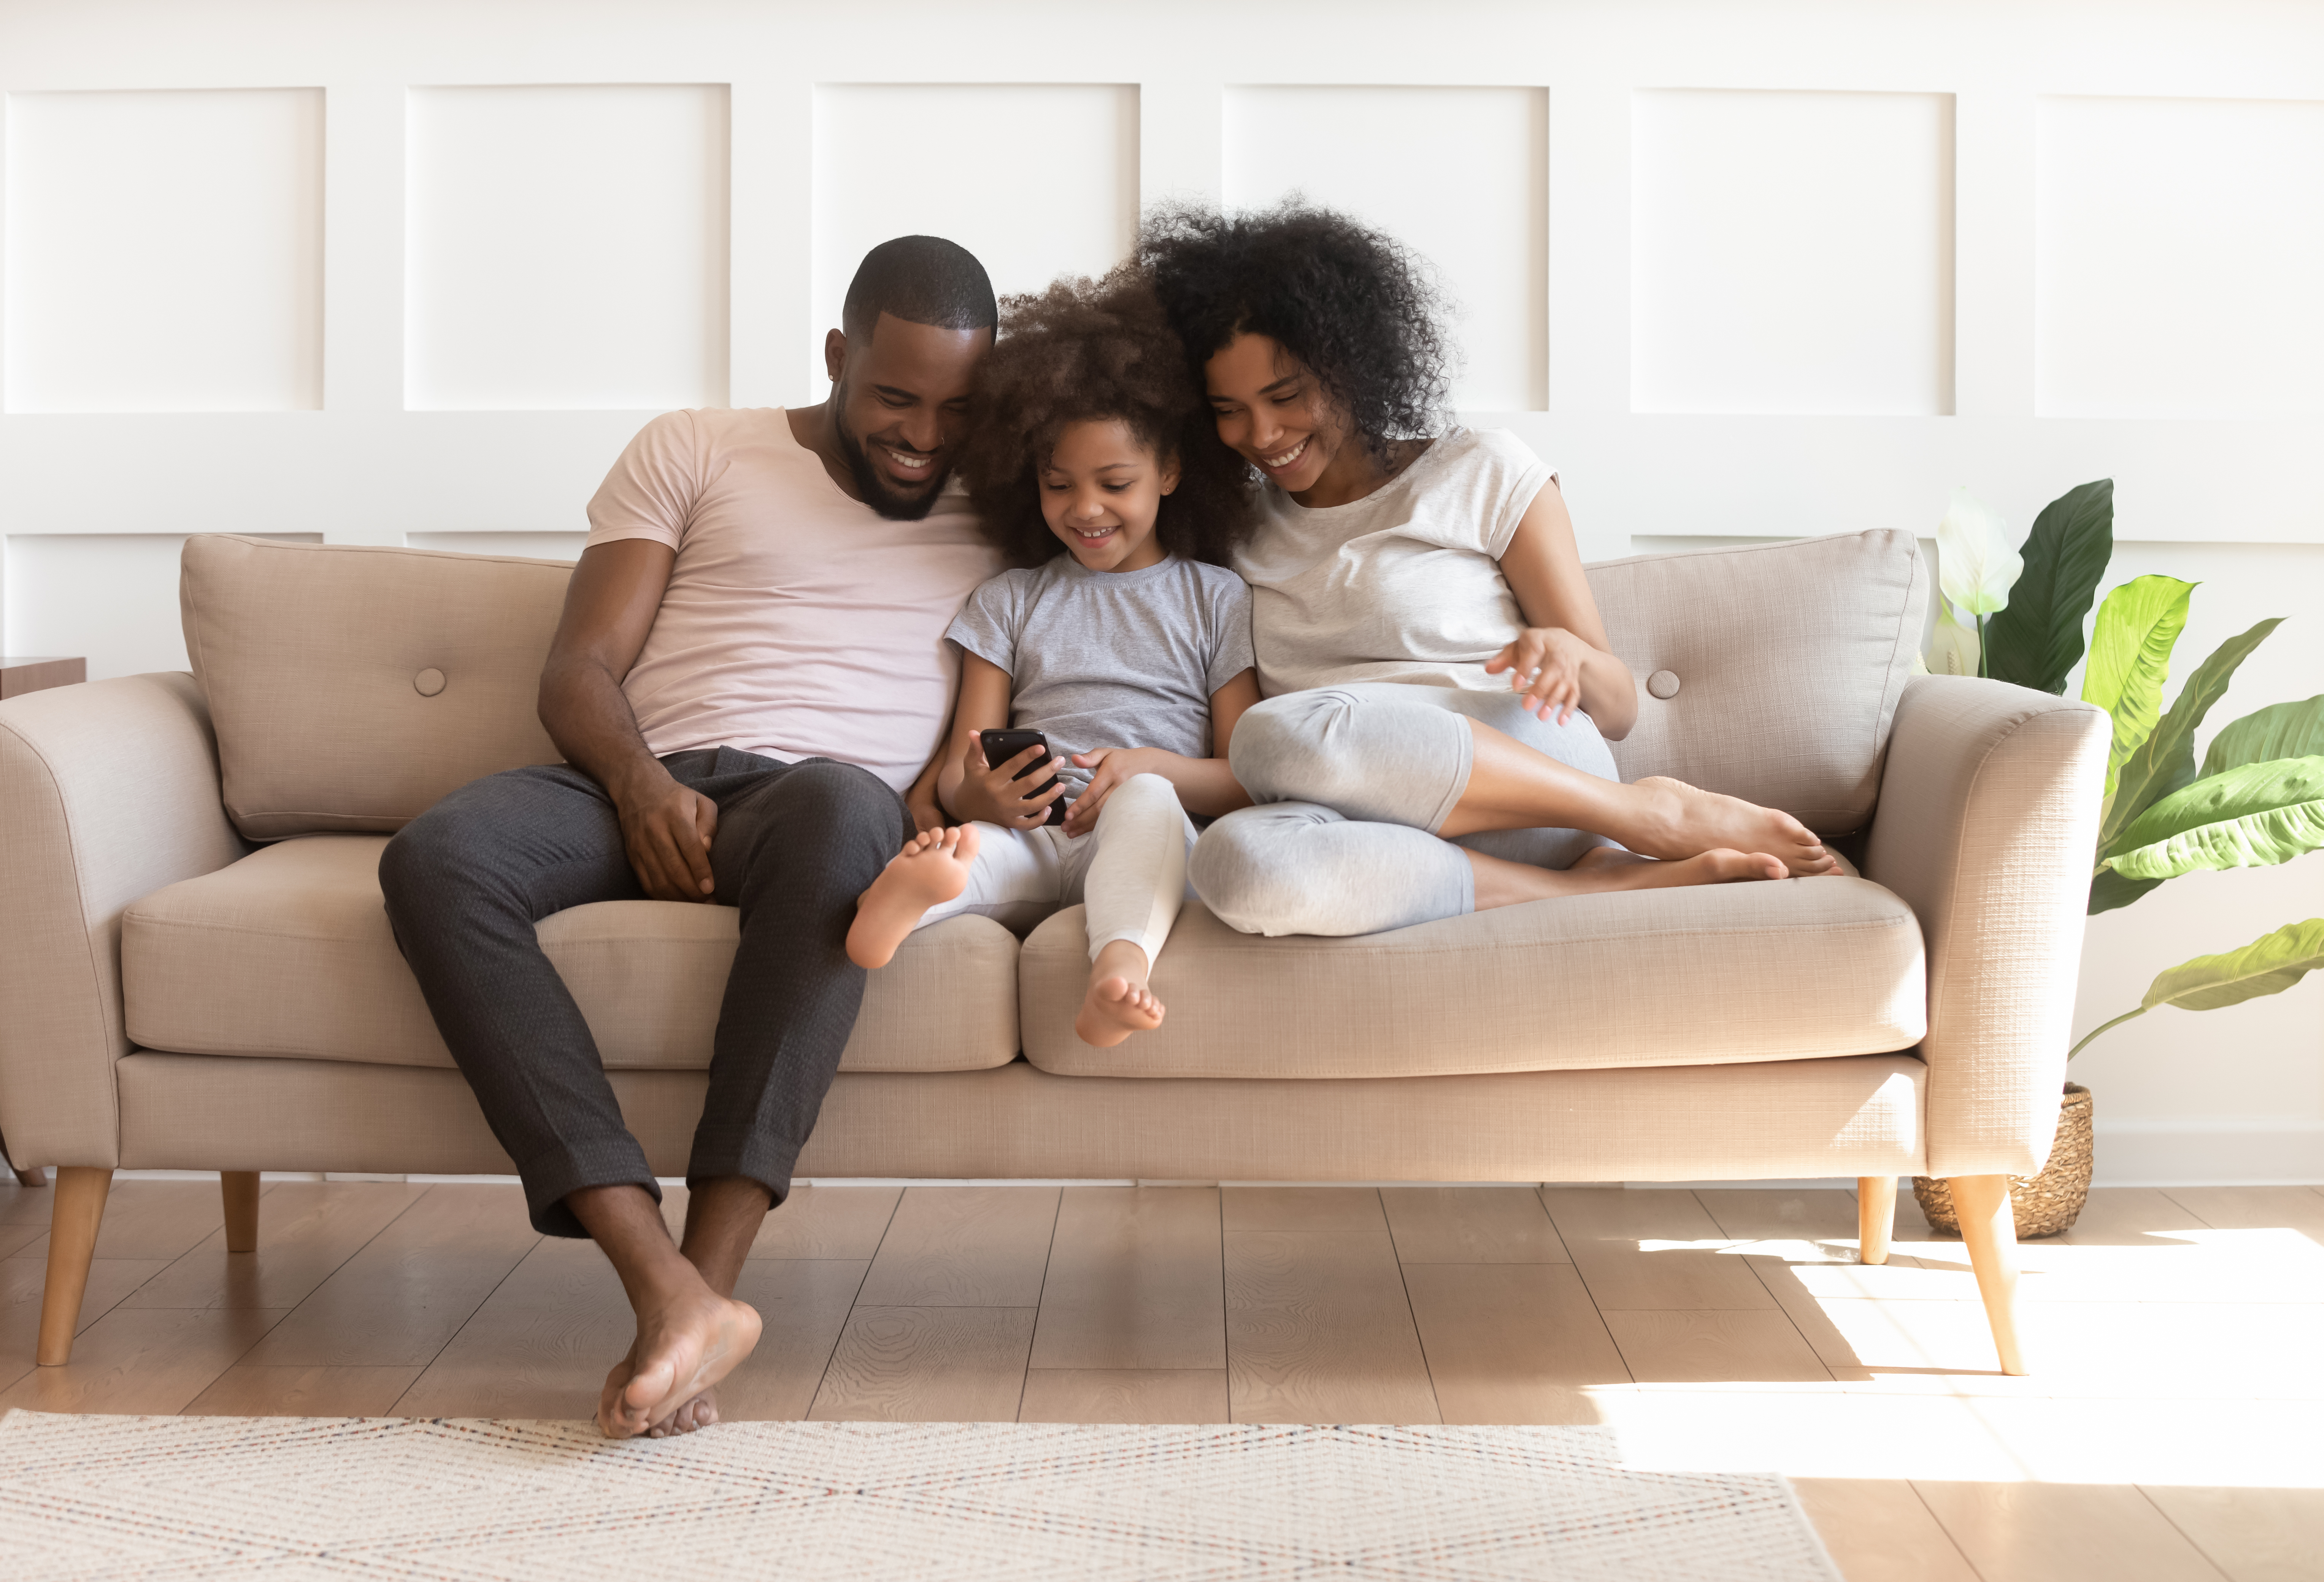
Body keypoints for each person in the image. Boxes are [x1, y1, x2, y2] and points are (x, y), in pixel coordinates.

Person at [377, 236, 1004, 1441]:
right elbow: (580, 670)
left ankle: (701, 1299)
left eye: (959, 411)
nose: (927, 437)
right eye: (896, 399)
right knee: (435, 856)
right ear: (838, 358)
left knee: (839, 815)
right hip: (640, 779)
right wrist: (636, 781)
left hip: (827, 802)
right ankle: (665, 1288)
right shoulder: (697, 446)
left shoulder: (1017, 497)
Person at [1134, 202, 1840, 938]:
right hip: (1369, 827)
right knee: (1233, 865)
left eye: (1286, 397)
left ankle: (1645, 814)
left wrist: (1570, 654)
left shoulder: (1482, 470)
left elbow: (1621, 708)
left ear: (1349, 364)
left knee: (1268, 738)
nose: (1263, 434)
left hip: (1537, 794)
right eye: (1229, 409)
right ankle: (1582, 892)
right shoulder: (1229, 528)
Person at [843, 272, 1259, 1047]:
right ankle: (906, 906)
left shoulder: (1217, 598)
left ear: (1169, 473)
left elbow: (1244, 775)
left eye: (1116, 484)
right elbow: (959, 768)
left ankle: (1119, 975)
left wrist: (1148, 768)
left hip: (1149, 830)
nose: (1086, 509)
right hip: (1036, 830)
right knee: (973, 855)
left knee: (1145, 810)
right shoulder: (1010, 600)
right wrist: (979, 800)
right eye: (1058, 484)